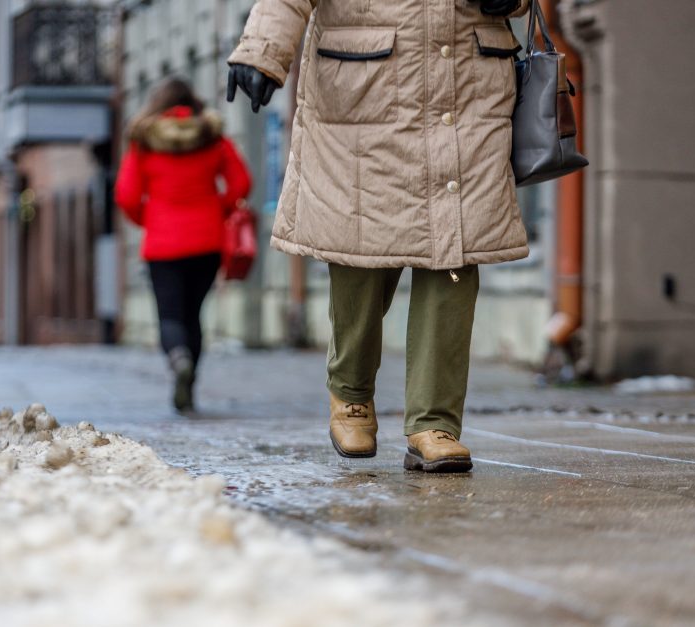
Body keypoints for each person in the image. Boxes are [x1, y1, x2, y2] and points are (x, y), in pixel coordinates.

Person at [227, 0, 530, 472]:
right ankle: (350, 392)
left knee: (453, 253)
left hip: (466, 93)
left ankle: (435, 422)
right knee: (361, 253)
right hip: (363, 96)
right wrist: (262, 51)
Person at [115, 77, 252, 412]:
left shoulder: (145, 142)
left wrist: (150, 218)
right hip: (207, 241)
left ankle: (178, 361)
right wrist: (218, 207)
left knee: (171, 316)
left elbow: (127, 195)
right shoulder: (211, 136)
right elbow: (241, 182)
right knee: (194, 315)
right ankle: (189, 391)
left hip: (162, 244)